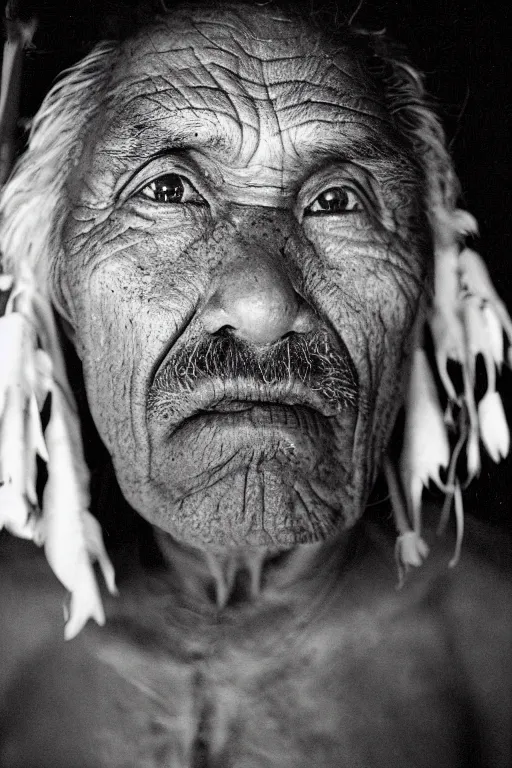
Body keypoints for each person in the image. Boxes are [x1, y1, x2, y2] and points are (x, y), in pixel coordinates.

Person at [0, 1, 510, 765]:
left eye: (337, 202)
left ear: (423, 294)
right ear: (61, 290)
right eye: (167, 191)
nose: (263, 308)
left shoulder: (493, 637)